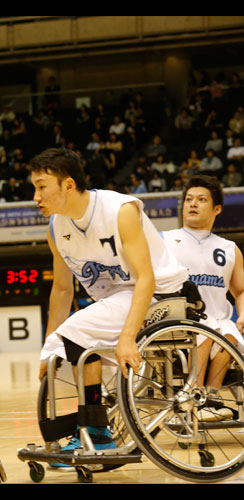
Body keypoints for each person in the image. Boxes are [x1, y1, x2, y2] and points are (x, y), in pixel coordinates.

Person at [32, 148, 188, 462]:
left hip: (161, 293)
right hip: (116, 299)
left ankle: (97, 433)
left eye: (41, 186)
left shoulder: (120, 210)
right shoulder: (55, 228)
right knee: (71, 338)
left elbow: (146, 278)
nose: (35, 196)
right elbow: (62, 290)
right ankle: (91, 428)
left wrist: (128, 337)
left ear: (68, 185)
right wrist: (48, 348)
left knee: (77, 330)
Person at [161, 175, 244, 421]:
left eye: (201, 200)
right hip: (177, 322)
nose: (193, 204)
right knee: (207, 330)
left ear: (216, 208)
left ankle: (210, 398)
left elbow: (240, 290)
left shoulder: (229, 248)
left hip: (219, 324)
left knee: (227, 333)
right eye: (188, 199)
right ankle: (190, 398)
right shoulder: (164, 240)